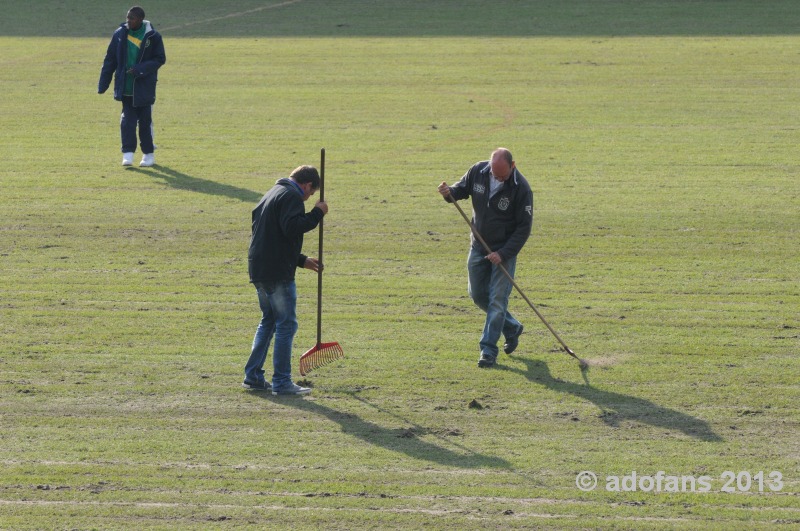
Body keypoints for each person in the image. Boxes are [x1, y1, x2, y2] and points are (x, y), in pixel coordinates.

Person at [438, 148, 533, 368]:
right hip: (478, 246)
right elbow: (460, 190)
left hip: (503, 252)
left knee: (497, 300)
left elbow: (523, 229)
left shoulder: (522, 189)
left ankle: (488, 350)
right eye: (494, 174)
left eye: (502, 176)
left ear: (513, 166)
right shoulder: (478, 171)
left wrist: (502, 254)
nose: (498, 178)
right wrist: (448, 192)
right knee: (478, 295)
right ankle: (511, 327)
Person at [244, 165, 329, 395]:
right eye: (311, 193)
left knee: (269, 320)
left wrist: (301, 260)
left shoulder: (271, 194)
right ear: (307, 185)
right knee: (286, 324)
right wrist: (317, 213)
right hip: (277, 273)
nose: (309, 197)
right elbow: (292, 228)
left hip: (260, 269)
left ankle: (253, 376)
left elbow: (273, 236)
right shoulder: (292, 196)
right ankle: (281, 382)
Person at [98, 6, 166, 167]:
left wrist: (140, 70)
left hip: (144, 87)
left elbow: (160, 59)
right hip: (125, 86)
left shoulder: (152, 36)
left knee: (145, 122)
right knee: (127, 121)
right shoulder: (120, 34)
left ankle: (148, 155)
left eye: (132, 18)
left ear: (140, 20)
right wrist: (103, 83)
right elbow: (110, 60)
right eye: (127, 17)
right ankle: (128, 154)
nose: (128, 21)